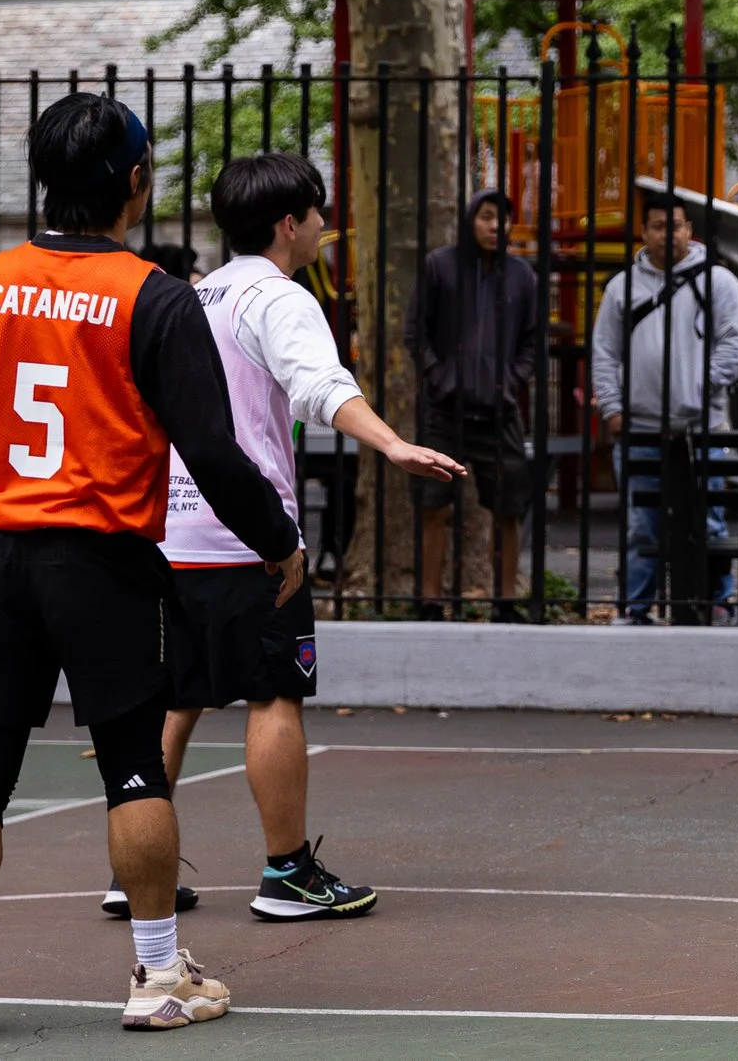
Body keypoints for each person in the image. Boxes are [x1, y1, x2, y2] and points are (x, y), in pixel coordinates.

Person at [0, 94, 301, 1039]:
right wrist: (278, 542)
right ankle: (157, 975)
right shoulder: (152, 295)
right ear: (135, 180)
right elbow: (214, 451)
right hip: (103, 558)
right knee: (132, 768)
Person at [128, 153, 463, 929]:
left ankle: (136, 867)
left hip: (170, 526)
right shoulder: (279, 296)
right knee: (274, 692)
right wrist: (392, 442)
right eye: (318, 214)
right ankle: (288, 871)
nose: (322, 226)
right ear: (289, 224)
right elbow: (319, 385)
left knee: (178, 694)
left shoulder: (191, 294)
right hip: (247, 532)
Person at [593, 191, 738, 625]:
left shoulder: (718, 282)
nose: (668, 235)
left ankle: (716, 601)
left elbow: (735, 344)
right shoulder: (622, 287)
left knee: (710, 520)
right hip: (640, 426)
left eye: (675, 226)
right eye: (658, 227)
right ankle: (635, 608)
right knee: (641, 525)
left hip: (703, 425)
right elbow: (604, 353)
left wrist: (700, 387)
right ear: (644, 232)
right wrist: (612, 408)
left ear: (689, 230)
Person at [404, 190, 541, 618]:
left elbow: (533, 342)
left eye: (503, 219)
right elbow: (416, 333)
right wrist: (441, 378)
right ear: (470, 221)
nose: (495, 226)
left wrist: (510, 382)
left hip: (500, 412)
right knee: (433, 504)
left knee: (509, 508)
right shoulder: (440, 266)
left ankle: (506, 601)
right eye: (486, 216)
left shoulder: (522, 276)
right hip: (444, 410)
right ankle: (429, 601)